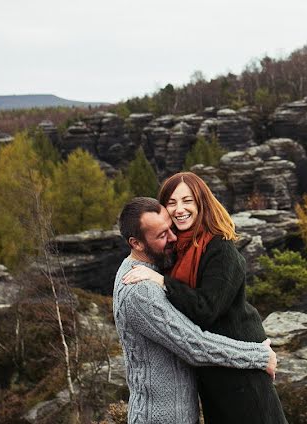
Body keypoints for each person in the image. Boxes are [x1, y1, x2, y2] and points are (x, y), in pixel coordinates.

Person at [122, 172, 288, 424]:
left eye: (187, 200)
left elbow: (206, 309)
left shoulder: (221, 250)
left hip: (241, 377)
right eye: (172, 202)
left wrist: (163, 282)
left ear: (202, 203)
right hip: (213, 375)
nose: (179, 209)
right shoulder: (177, 249)